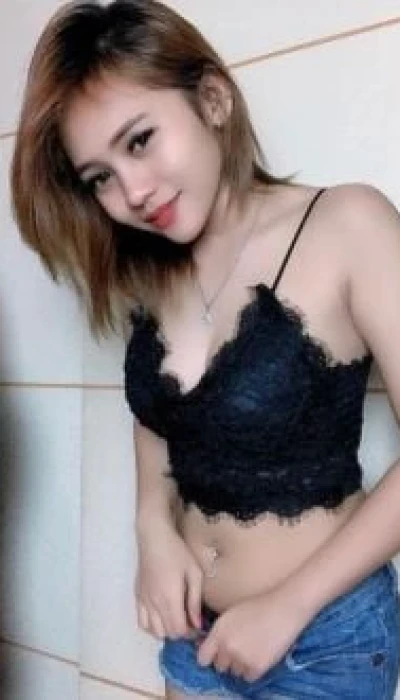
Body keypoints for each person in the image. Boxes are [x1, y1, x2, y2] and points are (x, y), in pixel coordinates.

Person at [10, 1, 400, 698]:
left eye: (139, 141)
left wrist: (289, 605)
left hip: (325, 643)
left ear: (213, 98)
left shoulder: (348, 224)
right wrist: (152, 531)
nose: (131, 192)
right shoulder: (153, 269)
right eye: (99, 176)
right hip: (195, 639)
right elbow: (160, 422)